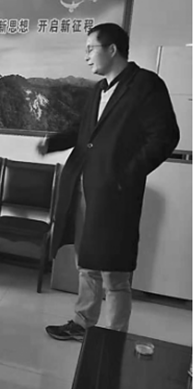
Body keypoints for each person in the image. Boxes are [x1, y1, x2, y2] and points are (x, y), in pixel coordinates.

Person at [38, 23, 179, 340]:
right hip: (87, 187)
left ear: (112, 49)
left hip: (117, 193)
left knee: (115, 270)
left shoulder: (145, 85)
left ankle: (114, 337)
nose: (86, 56)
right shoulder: (98, 89)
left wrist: (126, 174)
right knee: (87, 261)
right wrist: (53, 143)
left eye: (91, 48)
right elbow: (82, 130)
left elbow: (165, 136)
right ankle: (82, 323)